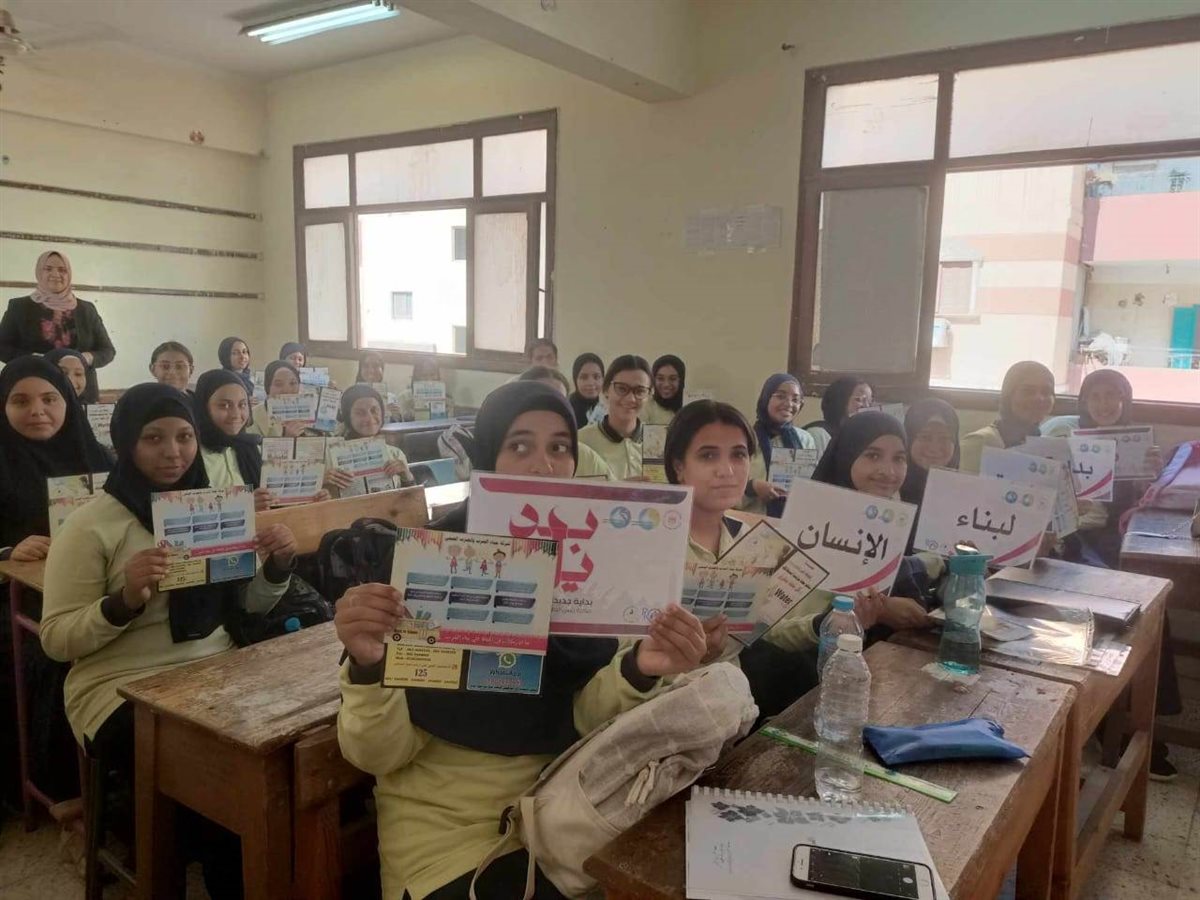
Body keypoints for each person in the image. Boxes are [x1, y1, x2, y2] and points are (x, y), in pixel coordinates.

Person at [334, 381, 708, 900]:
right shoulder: (428, 566)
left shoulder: (593, 579)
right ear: (488, 457)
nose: (544, 466)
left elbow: (583, 720)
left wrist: (640, 668)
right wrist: (369, 666)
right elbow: (378, 755)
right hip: (448, 843)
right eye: (519, 445)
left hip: (564, 818)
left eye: (559, 447)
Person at [39, 382, 298, 899]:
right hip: (118, 687)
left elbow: (246, 608)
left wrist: (278, 565)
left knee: (291, 751)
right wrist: (122, 602)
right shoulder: (90, 526)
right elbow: (56, 639)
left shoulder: (212, 508)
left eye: (184, 436)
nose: (173, 451)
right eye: (153, 438)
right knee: (222, 781)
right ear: (126, 442)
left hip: (215, 667)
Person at [665, 400, 883, 716]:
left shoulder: (755, 542)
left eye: (738, 455)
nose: (727, 470)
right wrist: (689, 653)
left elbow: (764, 630)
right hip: (662, 706)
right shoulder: (654, 544)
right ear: (678, 466)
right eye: (708, 455)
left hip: (732, 709)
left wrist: (826, 623)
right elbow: (626, 661)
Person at [0, 357, 114, 806]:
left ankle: (123, 775)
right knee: (52, 654)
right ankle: (62, 791)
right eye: (20, 401)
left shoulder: (98, 458)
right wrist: (7, 552)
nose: (38, 410)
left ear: (68, 400)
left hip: (96, 590)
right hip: (19, 598)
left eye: (50, 398)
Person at [811, 411, 939, 629]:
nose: (889, 472)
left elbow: (915, 608)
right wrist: (875, 608)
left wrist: (892, 608)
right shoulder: (811, 524)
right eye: (873, 456)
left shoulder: (888, 521)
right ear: (846, 456)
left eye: (899, 459)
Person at [0, 250, 116, 401]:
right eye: (48, 269)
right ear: (39, 272)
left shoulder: (86, 309)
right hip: (34, 391)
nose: (56, 274)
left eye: (62, 270)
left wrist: (84, 358)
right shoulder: (19, 307)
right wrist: (33, 359)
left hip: (80, 392)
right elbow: (2, 347)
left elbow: (107, 351)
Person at [195, 369, 272, 512]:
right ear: (203, 407)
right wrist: (242, 507)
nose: (235, 414)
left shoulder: (252, 448)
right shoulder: (192, 456)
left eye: (242, 405)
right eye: (224, 405)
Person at [959, 361, 1055, 474]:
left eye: (1046, 392)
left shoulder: (1050, 447)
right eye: (1028, 391)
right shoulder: (980, 442)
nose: (1039, 398)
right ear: (1008, 396)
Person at [518, 366, 614, 479]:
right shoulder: (505, 452)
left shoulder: (584, 456)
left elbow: (613, 488)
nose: (550, 411)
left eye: (559, 403)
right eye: (540, 402)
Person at [744, 373, 818, 516]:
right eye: (781, 396)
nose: (789, 404)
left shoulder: (805, 439)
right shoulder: (747, 437)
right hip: (751, 520)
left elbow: (813, 485)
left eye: (795, 400)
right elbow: (727, 490)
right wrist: (752, 487)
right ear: (766, 398)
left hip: (793, 521)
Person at [325, 384, 413, 497]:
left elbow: (412, 500)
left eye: (374, 410)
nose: (369, 418)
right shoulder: (330, 457)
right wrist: (325, 486)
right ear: (348, 417)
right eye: (360, 413)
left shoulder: (396, 454)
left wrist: (407, 476)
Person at [578, 355, 652, 481]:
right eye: (622, 389)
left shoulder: (659, 441)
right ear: (606, 389)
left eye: (640, 391)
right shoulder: (581, 441)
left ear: (649, 395)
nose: (631, 398)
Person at [899, 398, 961, 506]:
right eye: (925, 437)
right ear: (908, 438)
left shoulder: (966, 493)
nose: (934, 448)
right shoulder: (889, 486)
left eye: (944, 438)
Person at [803, 375, 872, 459]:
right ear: (840, 400)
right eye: (859, 400)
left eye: (869, 402)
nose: (866, 406)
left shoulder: (861, 437)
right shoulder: (818, 434)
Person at [249, 360, 310, 438]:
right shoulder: (253, 417)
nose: (287, 390)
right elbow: (253, 445)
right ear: (268, 388)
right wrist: (286, 438)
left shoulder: (307, 412)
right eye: (278, 384)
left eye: (293, 383)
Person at [396, 356, 450, 421]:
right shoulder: (404, 397)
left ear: (438, 375)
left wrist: (448, 412)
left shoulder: (447, 399)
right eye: (424, 375)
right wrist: (408, 416)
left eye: (432, 375)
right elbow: (399, 421)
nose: (429, 380)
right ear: (416, 377)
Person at [644, 355, 685, 426]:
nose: (666, 384)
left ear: (681, 381)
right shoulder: (646, 407)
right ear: (654, 380)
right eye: (660, 378)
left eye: (673, 379)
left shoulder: (689, 407)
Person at [568, 352, 605, 428]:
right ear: (575, 380)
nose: (591, 383)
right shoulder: (566, 411)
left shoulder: (606, 410)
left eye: (596, 377)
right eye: (584, 377)